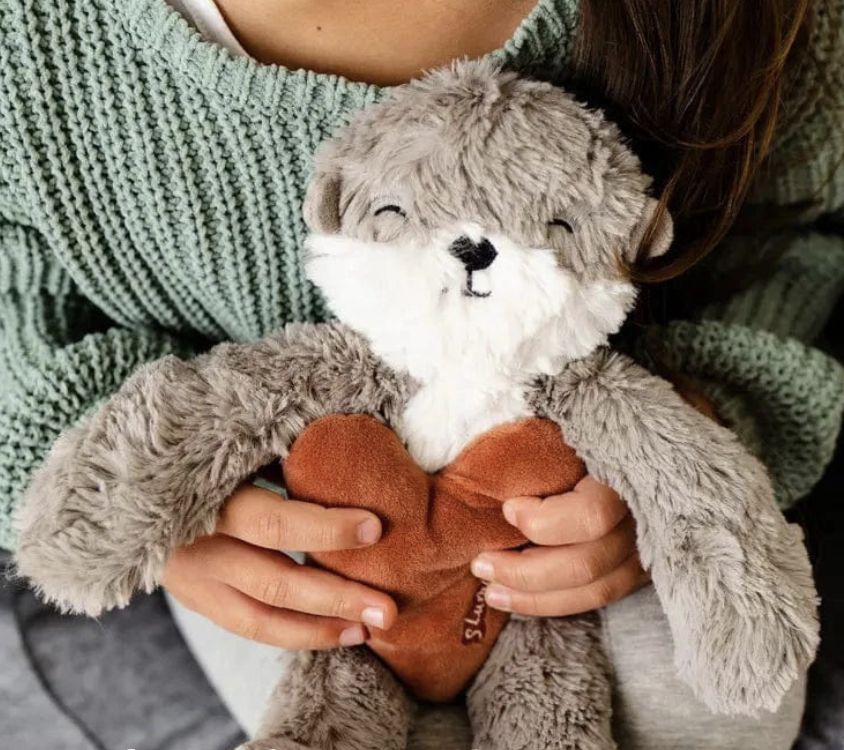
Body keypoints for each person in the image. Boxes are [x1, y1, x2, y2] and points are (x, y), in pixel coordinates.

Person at [0, 0, 841, 748]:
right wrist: (155, 486)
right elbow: (16, 297)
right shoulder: (32, 46)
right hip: (267, 516)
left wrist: (693, 432)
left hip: (585, 485)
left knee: (704, 710)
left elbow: (788, 232)